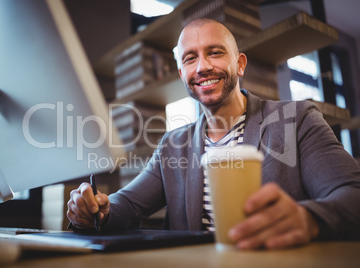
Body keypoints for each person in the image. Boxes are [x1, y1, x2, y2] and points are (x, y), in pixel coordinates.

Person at [67, 18, 360, 250]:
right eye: (190, 58)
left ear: (240, 64)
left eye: (215, 52)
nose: (203, 67)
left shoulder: (297, 120)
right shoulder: (173, 144)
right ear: (182, 73)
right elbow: (128, 203)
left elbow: (351, 194)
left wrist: (310, 218)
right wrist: (98, 210)